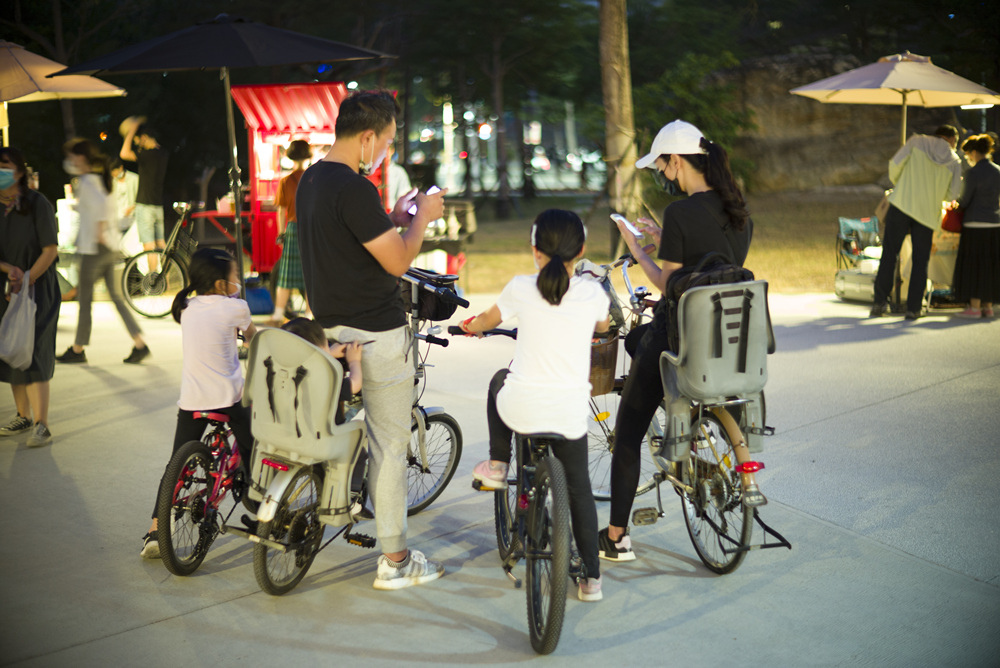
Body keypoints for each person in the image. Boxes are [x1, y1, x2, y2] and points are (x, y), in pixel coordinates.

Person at [296, 89, 447, 590]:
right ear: (366, 138)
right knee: (387, 444)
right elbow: (399, 262)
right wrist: (424, 217)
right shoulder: (355, 189)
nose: (387, 151)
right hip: (377, 333)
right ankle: (397, 561)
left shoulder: (313, 179)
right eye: (386, 141)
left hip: (330, 332)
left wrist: (399, 219)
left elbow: (357, 244)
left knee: (341, 432)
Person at [603, 120, 754, 561]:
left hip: (679, 337)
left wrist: (637, 248)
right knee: (639, 343)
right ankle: (687, 438)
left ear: (676, 161)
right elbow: (714, 266)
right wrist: (662, 240)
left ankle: (615, 538)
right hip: (725, 340)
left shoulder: (680, 214)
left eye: (663, 167)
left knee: (628, 432)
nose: (663, 176)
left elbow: (667, 284)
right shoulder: (739, 211)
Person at [460, 209, 610, 602]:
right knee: (580, 491)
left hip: (521, 409)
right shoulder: (593, 293)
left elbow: (486, 321)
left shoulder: (520, 288)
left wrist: (471, 325)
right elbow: (604, 328)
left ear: (534, 249)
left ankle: (497, 464)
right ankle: (591, 579)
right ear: (581, 250)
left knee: (498, 381)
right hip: (569, 415)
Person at [140, 248, 257, 558]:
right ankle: (255, 497)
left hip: (192, 400)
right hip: (229, 398)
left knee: (173, 467)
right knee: (251, 445)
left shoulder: (186, 307)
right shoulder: (236, 308)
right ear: (221, 284)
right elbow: (255, 340)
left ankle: (154, 531)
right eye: (234, 277)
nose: (238, 282)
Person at [56, 139, 150, 365]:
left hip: (95, 248)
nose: (69, 160)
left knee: (85, 300)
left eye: (72, 156)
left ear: (81, 159)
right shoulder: (101, 181)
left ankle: (78, 349)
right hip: (108, 245)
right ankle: (139, 343)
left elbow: (98, 211)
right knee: (115, 299)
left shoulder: (87, 182)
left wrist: (98, 234)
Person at [0, 147, 61, 447]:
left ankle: (42, 423)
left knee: (36, 351)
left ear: (20, 171)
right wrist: (9, 270)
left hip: (39, 288)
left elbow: (50, 249)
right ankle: (22, 415)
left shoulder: (38, 204)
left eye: (5, 166)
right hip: (8, 288)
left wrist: (27, 277)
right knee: (13, 349)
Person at [871, 125, 963, 320]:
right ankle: (914, 308)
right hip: (928, 214)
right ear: (952, 140)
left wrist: (902, 182)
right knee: (921, 261)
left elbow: (894, 165)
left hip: (902, 204)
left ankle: (879, 303)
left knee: (889, 254)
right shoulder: (954, 161)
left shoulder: (916, 142)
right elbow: (952, 194)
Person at [952, 134, 1000, 318]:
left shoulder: (972, 173)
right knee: (990, 265)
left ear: (973, 153)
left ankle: (973, 307)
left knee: (974, 265)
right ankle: (988, 306)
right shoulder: (997, 171)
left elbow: (964, 200)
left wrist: (957, 203)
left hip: (974, 224)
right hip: (995, 224)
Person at [280, 317, 363, 424]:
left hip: (291, 433)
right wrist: (354, 361)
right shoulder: (324, 377)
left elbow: (310, 359)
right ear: (323, 347)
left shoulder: (281, 374)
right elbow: (355, 384)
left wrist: (328, 353)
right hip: (327, 436)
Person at [268, 140, 312, 326]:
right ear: (308, 156)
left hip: (293, 228)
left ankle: (278, 315)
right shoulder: (314, 178)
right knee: (311, 274)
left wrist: (281, 233)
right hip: (311, 229)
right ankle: (310, 315)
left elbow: (281, 210)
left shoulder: (286, 181)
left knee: (285, 275)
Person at [120, 118, 168, 271]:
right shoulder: (163, 154)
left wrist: (132, 130)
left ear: (144, 138)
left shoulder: (146, 156)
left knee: (149, 246)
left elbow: (124, 153)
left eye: (138, 141)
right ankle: (165, 278)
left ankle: (154, 280)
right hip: (158, 206)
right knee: (161, 244)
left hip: (145, 207)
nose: (137, 145)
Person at [110, 157, 138, 235]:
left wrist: (132, 208)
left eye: (114, 172)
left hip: (130, 216)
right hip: (117, 217)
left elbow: (140, 199)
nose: (113, 175)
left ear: (121, 167)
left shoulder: (134, 178)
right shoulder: (113, 181)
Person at [385, 142, 412, 208]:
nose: (384, 154)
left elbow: (403, 198)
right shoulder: (370, 171)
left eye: (386, 150)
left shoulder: (399, 172)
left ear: (392, 151)